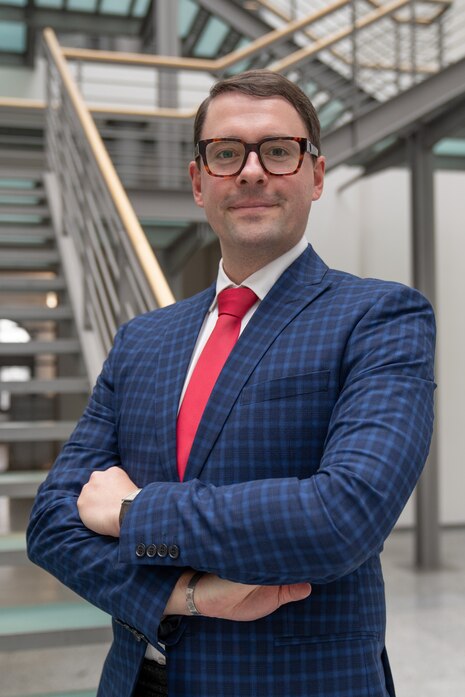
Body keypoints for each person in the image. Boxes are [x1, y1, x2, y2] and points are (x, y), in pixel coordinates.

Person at [27, 70, 436, 697]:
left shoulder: (379, 317)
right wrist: (188, 596)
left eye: (278, 150)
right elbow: (54, 522)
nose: (251, 171)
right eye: (226, 153)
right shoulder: (143, 338)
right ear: (198, 181)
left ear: (315, 175)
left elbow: (342, 516)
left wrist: (135, 511)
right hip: (139, 680)